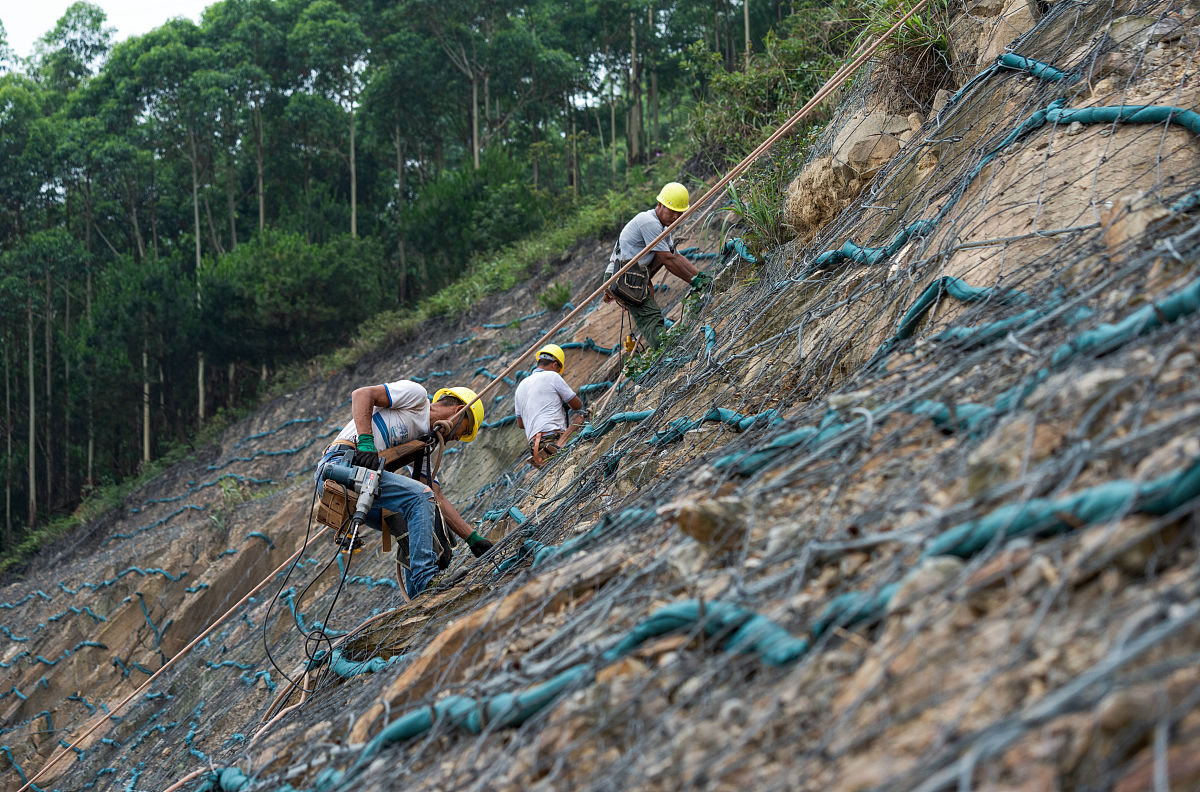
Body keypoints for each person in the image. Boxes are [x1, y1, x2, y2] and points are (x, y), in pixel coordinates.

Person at [314, 381, 493, 599]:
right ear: (459, 411)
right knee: (419, 496)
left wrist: (472, 539)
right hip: (340, 465)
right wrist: (366, 442)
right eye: (464, 431)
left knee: (418, 525)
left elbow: (436, 496)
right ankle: (425, 579)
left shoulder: (422, 446)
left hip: (362, 480)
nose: (457, 438)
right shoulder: (416, 398)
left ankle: (418, 598)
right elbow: (362, 394)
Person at [604, 182, 712, 349]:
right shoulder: (649, 222)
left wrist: (700, 277)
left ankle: (665, 348)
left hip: (632, 276)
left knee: (651, 314)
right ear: (660, 204)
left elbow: (675, 256)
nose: (675, 217)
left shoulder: (661, 228)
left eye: (679, 213)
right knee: (651, 318)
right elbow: (667, 260)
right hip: (621, 277)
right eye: (672, 211)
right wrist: (695, 281)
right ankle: (666, 351)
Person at [514, 344, 585, 468]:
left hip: (534, 446)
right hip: (552, 438)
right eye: (558, 370)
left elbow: (520, 424)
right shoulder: (552, 376)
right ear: (554, 365)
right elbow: (577, 405)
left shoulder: (521, 386)